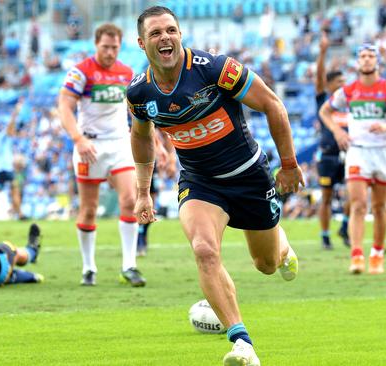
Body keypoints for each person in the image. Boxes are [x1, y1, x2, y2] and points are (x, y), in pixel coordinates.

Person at [128, 7, 302, 365]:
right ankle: (242, 343)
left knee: (266, 264)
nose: (166, 38)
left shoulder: (215, 69)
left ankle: (282, 246)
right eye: (156, 33)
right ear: (142, 42)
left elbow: (272, 104)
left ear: (180, 34)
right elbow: (141, 137)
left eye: (171, 30)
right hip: (200, 183)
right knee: (204, 250)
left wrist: (288, 164)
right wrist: (143, 190)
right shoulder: (139, 91)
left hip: (248, 176)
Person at [57, 23, 145, 287]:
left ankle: (129, 265)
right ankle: (88, 268)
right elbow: (64, 105)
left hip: (119, 143)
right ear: (96, 45)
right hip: (90, 147)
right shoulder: (81, 72)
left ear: (120, 46)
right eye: (105, 47)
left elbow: (137, 111)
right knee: (89, 209)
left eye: (114, 47)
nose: (109, 52)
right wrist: (78, 138)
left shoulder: (126, 73)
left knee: (130, 200)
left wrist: (158, 144)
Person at [319, 44, 386, 275]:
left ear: (377, 61)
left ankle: (377, 253)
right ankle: (356, 255)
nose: (366, 60)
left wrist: (385, 125)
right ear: (358, 62)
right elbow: (325, 111)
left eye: (371, 56)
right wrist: (337, 132)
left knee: (379, 207)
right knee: (357, 204)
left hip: (383, 151)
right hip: (357, 151)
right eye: (362, 56)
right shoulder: (348, 91)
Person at [314, 32, 350, 250]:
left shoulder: (350, 102)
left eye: (344, 82)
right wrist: (323, 52)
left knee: (353, 194)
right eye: (338, 82)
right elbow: (319, 77)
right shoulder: (323, 100)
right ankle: (325, 236)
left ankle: (345, 227)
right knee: (326, 197)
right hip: (328, 155)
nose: (343, 86)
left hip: (349, 154)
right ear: (329, 86)